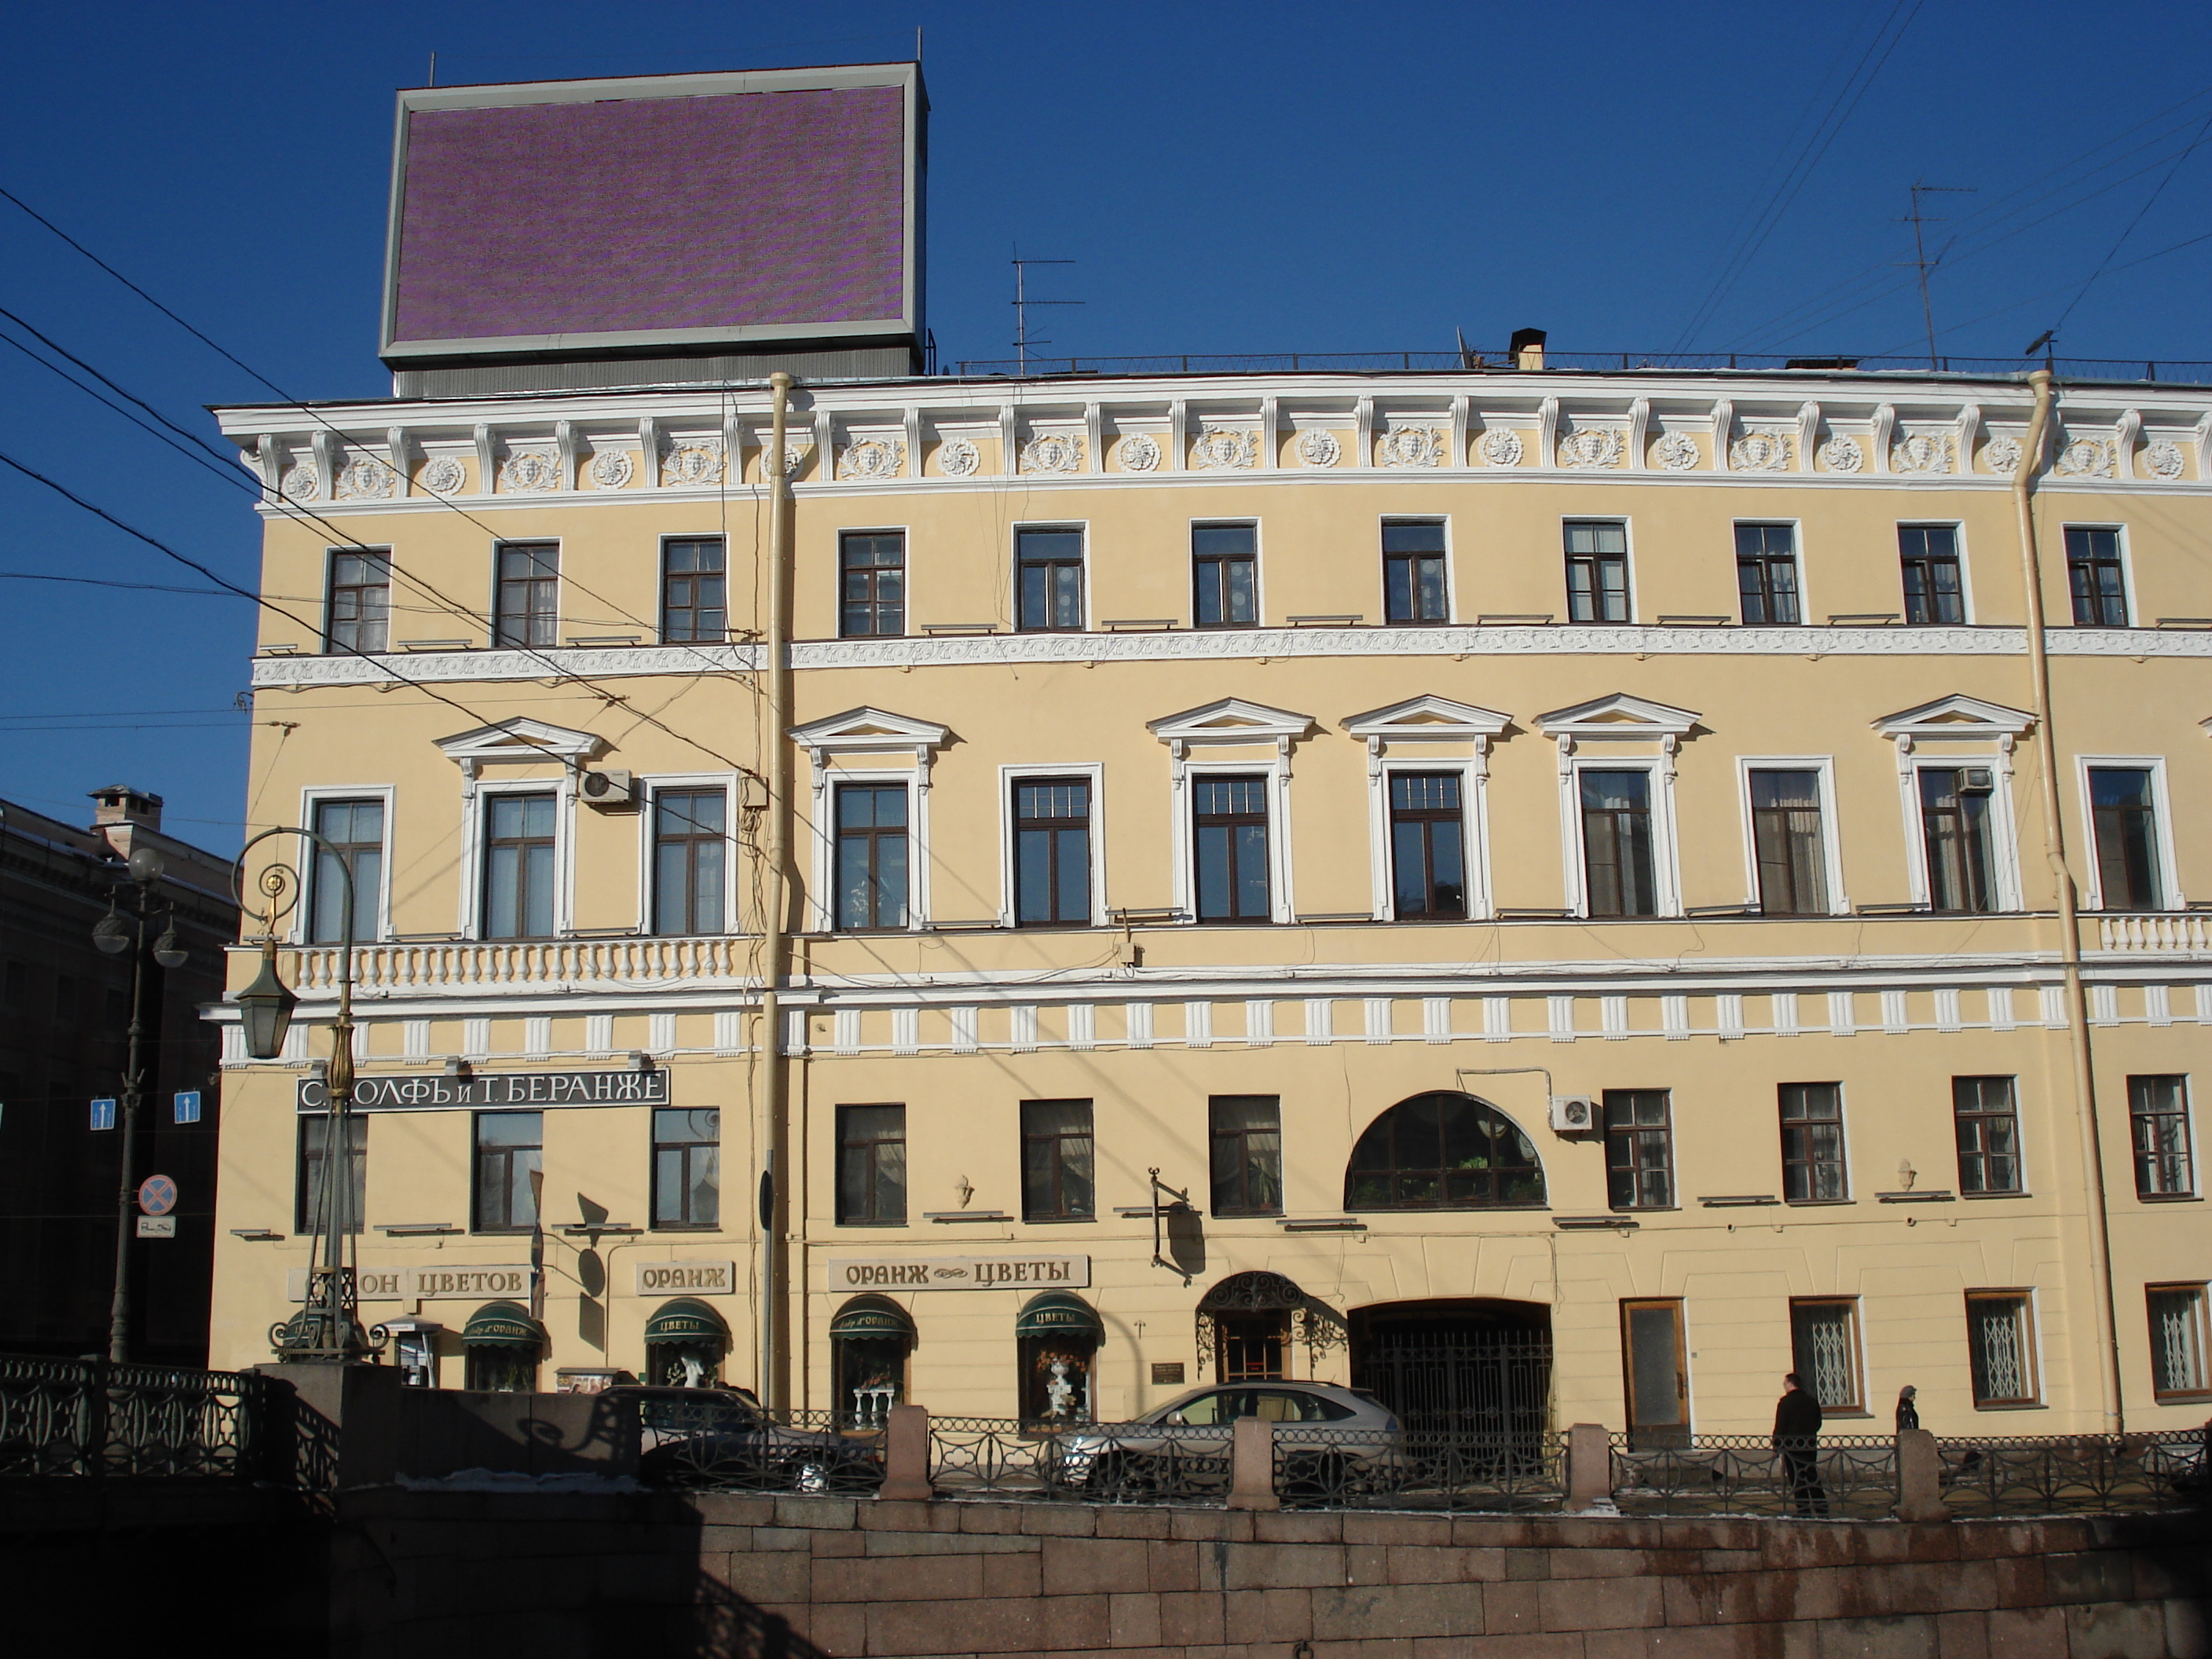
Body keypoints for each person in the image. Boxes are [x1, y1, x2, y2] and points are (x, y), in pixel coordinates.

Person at [1773, 1372, 1829, 1516]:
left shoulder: (1785, 1403)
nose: (1784, 1387)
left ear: (1791, 1384)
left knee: (1797, 1479)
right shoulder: (1811, 1401)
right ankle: (1822, 1509)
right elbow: (1818, 1422)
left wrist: (1777, 1445)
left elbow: (1781, 1426)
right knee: (1812, 1476)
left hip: (1792, 1447)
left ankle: (1804, 1510)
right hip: (1809, 1445)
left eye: (1785, 1384)